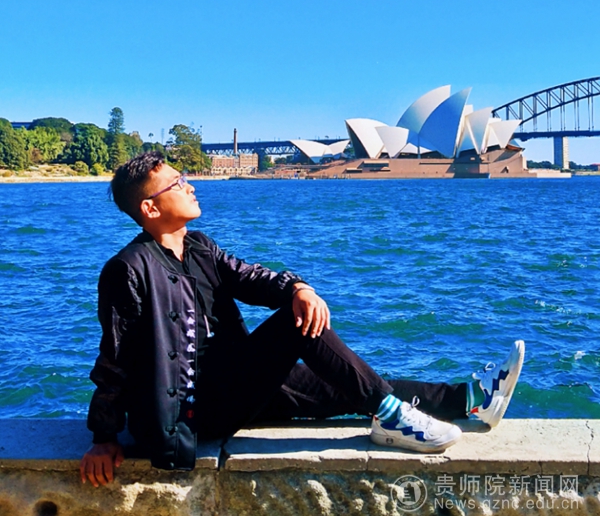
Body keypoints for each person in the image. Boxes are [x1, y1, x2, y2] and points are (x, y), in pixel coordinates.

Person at [80, 151, 525, 487]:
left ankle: (471, 399)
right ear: (150, 208)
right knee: (296, 325)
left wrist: (297, 287)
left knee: (350, 383)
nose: (190, 185)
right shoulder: (128, 269)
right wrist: (104, 436)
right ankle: (392, 416)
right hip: (192, 408)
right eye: (177, 183)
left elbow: (252, 278)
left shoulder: (198, 246)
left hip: (233, 382)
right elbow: (115, 358)